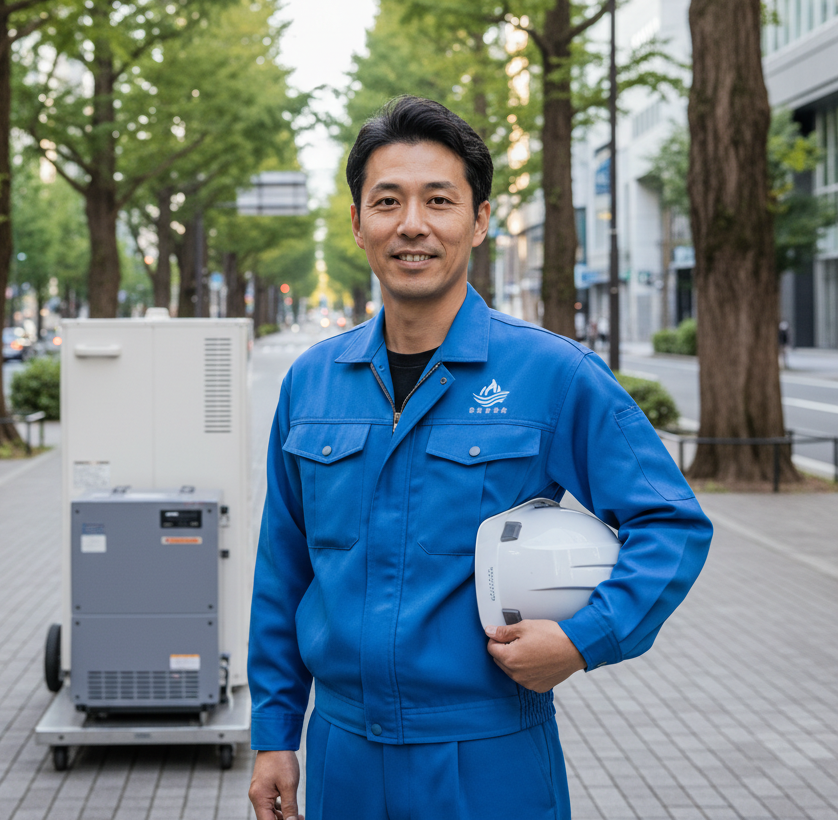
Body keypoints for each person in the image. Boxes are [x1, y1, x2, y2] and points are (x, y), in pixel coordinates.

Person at [247, 96, 713, 820]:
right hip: (341, 755)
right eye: (387, 201)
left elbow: (671, 523)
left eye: (439, 200)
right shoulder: (311, 382)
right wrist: (274, 734)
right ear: (357, 223)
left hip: (489, 757)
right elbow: (283, 568)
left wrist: (582, 640)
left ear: (480, 220)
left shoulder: (551, 374)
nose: (412, 225)